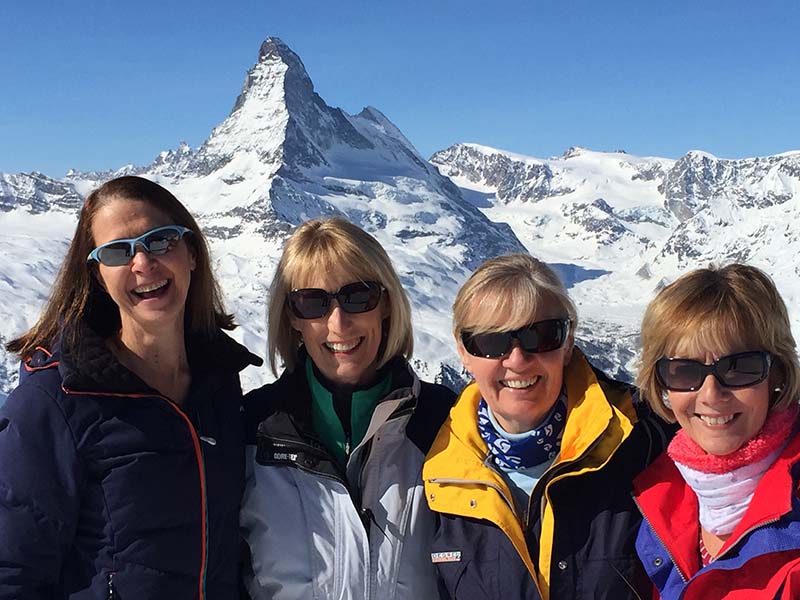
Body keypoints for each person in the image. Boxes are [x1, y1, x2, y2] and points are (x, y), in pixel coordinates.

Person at [0, 176, 261, 598]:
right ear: (99, 275)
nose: (143, 263)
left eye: (160, 241)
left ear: (191, 253)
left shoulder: (219, 383)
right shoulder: (56, 401)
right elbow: (13, 571)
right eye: (119, 251)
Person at [423, 253, 671, 600]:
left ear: (568, 341)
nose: (517, 361)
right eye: (492, 342)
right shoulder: (436, 473)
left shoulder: (645, 439)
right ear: (464, 351)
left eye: (540, 336)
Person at [240, 217, 456, 599]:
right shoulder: (251, 432)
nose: (338, 323)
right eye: (312, 303)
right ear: (292, 317)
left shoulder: (446, 424)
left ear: (386, 304)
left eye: (358, 297)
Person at [634, 264, 800, 599]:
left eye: (739, 368)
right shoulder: (660, 495)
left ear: (777, 374)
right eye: (684, 371)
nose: (711, 394)